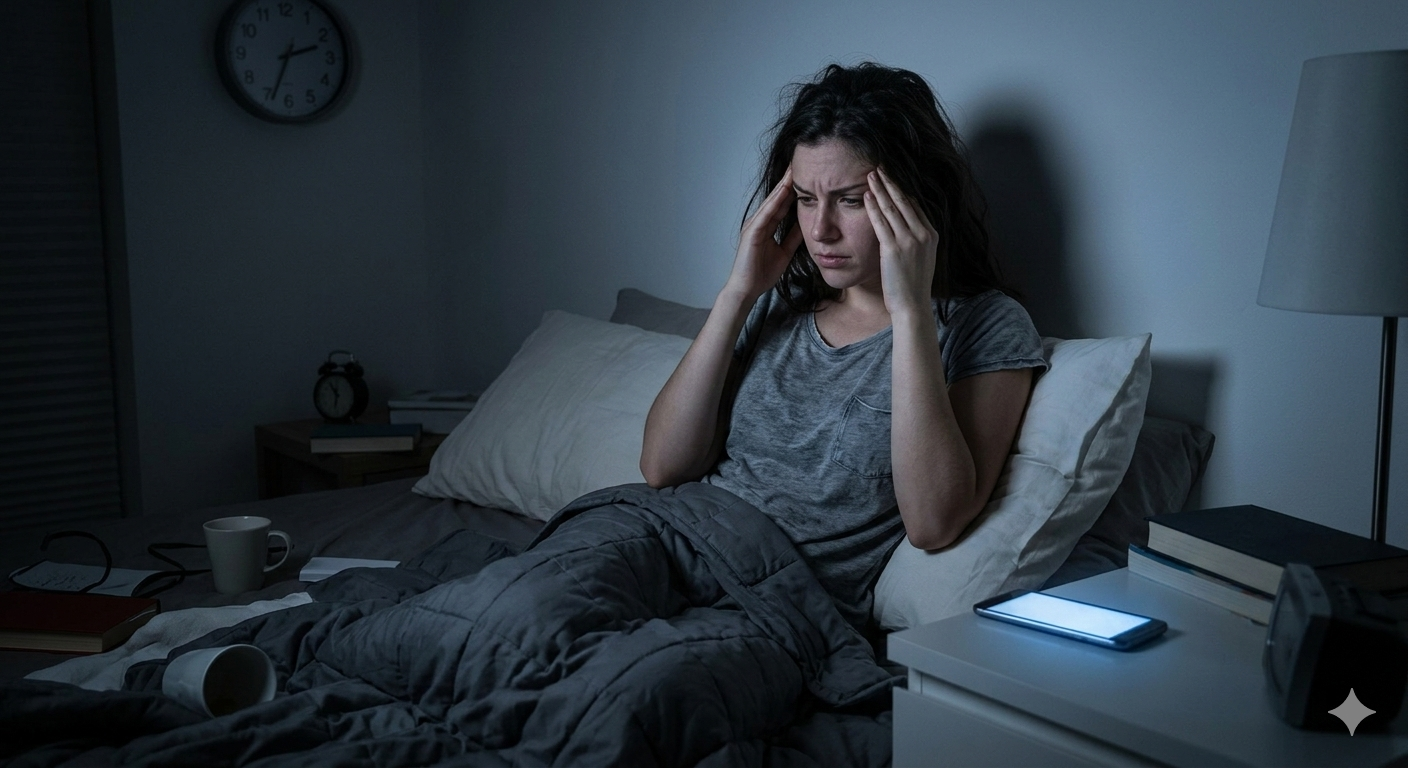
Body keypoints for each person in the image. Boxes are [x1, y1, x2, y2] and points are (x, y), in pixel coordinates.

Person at [640, 62, 1047, 630]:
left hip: (772, 606)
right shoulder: (777, 301)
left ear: (917, 200)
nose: (820, 230)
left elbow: (933, 522)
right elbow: (662, 468)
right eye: (805, 199)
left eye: (851, 200)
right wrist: (737, 293)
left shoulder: (985, 324)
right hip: (659, 540)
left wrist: (910, 311)